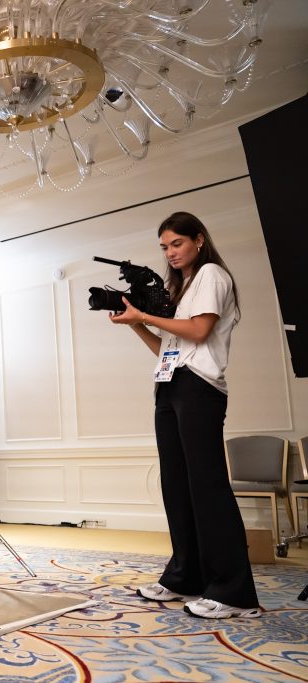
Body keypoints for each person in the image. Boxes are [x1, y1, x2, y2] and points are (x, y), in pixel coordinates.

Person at [110, 211, 260, 619]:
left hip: (200, 387)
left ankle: (234, 594)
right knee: (177, 486)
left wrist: (143, 316)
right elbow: (169, 348)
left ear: (197, 240)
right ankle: (185, 578)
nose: (170, 253)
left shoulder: (211, 273)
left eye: (176, 243)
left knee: (207, 487)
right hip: (171, 384)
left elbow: (198, 333)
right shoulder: (185, 287)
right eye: (164, 247)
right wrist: (134, 324)